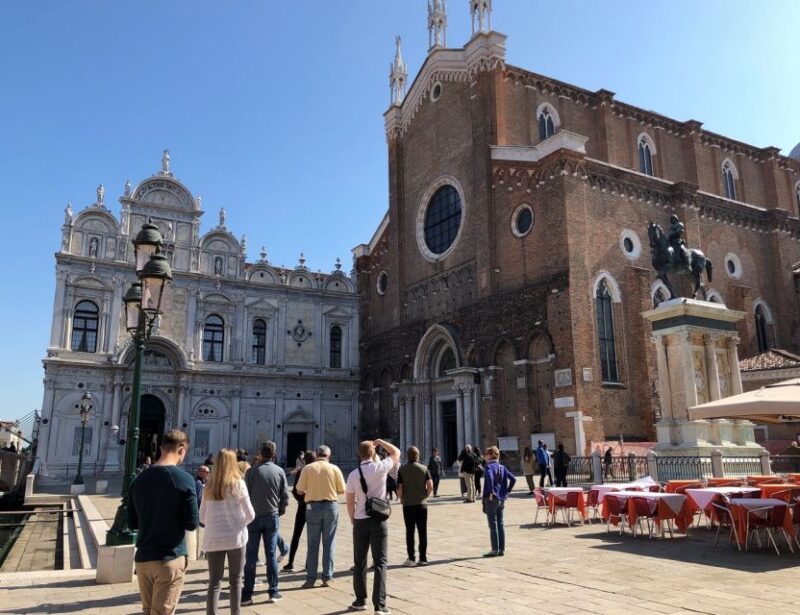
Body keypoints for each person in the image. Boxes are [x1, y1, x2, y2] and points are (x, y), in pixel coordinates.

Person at [128, 430, 199, 615]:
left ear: (161, 448)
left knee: (148, 611)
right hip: (169, 557)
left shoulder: (138, 479)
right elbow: (192, 523)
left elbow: (132, 523)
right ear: (182, 449)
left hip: (143, 559)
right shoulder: (184, 479)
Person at [346, 439, 400, 614]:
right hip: (378, 520)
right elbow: (396, 453)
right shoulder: (381, 468)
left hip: (360, 521)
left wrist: (354, 520)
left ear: (359, 455)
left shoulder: (353, 474)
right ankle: (380, 605)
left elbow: (349, 502)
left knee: (359, 562)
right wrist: (380, 442)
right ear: (373, 453)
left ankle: (360, 600)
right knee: (380, 563)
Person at [200, 449, 256, 615]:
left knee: (214, 583)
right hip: (235, 539)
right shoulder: (238, 484)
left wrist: (216, 526)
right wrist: (237, 524)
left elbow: (202, 517)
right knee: (236, 581)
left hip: (213, 540)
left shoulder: (209, 485)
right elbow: (251, 514)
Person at [242, 441, 289, 606]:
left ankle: (247, 595)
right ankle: (273, 592)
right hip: (271, 516)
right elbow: (285, 496)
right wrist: (280, 510)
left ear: (260, 454)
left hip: (253, 518)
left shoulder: (251, 472)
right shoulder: (279, 471)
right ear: (274, 455)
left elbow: (245, 496)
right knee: (271, 556)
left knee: (251, 557)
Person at [295, 444, 346, 588]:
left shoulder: (308, 468)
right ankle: (327, 577)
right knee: (329, 542)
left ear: (317, 455)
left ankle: (311, 579)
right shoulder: (335, 469)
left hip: (312, 508)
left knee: (312, 544)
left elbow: (299, 490)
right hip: (331, 507)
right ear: (328, 456)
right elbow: (342, 490)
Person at [397, 446, 433, 567]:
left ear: (407, 456)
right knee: (423, 532)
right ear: (418, 456)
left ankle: (411, 558)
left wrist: (401, 499)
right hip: (422, 504)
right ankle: (423, 558)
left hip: (408, 505)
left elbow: (400, 488)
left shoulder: (402, 469)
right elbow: (430, 485)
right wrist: (425, 495)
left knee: (410, 532)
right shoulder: (424, 468)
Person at [282, 450, 316, 573]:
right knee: (312, 536)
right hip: (314, 507)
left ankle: (290, 563)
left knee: (296, 535)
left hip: (302, 506)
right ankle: (308, 564)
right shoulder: (317, 471)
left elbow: (295, 490)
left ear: (304, 460)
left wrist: (302, 500)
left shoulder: (302, 471)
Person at [481, 446, 516, 557]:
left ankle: (494, 549)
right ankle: (501, 549)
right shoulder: (502, 467)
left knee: (493, 524)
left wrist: (491, 492)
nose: (484, 456)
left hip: (492, 498)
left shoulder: (489, 467)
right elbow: (513, 479)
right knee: (500, 523)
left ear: (491, 455)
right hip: (501, 498)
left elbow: (490, 478)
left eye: (486, 453)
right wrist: (507, 491)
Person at [194, 465, 210, 559]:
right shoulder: (199, 484)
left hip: (199, 513)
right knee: (207, 532)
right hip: (199, 512)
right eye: (206, 472)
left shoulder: (198, 482)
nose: (208, 474)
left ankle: (204, 551)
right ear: (200, 472)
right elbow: (198, 499)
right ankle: (205, 551)